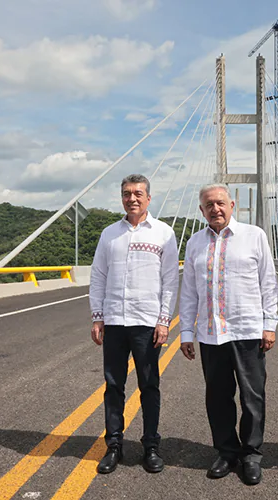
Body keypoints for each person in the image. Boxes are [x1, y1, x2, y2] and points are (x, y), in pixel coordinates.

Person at [179, 184, 278, 486]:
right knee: (218, 398)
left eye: (220, 203)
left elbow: (268, 284)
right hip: (211, 334)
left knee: (252, 397)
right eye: (209, 205)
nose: (215, 209)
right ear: (201, 210)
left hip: (247, 330)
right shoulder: (195, 243)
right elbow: (189, 292)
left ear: (232, 205)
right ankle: (226, 451)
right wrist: (186, 331)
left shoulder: (254, 236)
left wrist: (269, 324)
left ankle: (251, 454)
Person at [89, 174, 179, 475]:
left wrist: (164, 321)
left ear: (149, 198)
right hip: (114, 321)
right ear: (122, 197)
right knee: (113, 387)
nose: (132, 198)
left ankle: (151, 446)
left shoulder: (164, 233)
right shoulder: (109, 234)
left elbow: (170, 281)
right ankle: (113, 446)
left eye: (138, 193)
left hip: (146, 322)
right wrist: (97, 316)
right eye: (127, 193)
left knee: (149, 386)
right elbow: (98, 275)